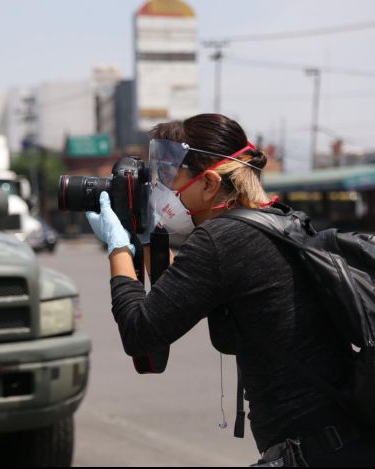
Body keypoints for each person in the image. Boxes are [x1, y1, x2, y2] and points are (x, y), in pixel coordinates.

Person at [86, 113, 374, 466]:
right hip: (343, 441)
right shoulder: (276, 221)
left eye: (169, 175)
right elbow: (182, 291)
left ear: (208, 183)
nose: (160, 187)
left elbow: (141, 331)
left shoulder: (221, 240)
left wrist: (117, 247)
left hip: (313, 452)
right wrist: (147, 237)